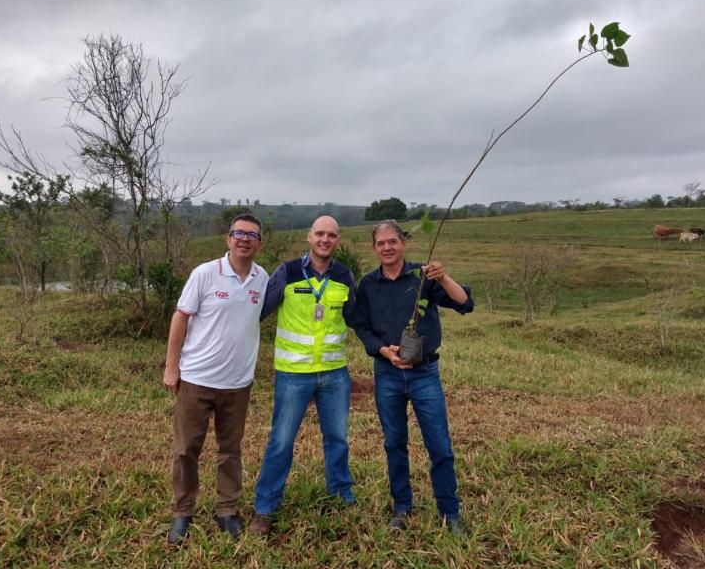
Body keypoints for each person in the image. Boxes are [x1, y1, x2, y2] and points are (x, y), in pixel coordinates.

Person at [353, 219, 474, 535]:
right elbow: (361, 326)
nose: (387, 248)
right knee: (394, 443)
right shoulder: (367, 285)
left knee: (439, 445)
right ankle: (402, 507)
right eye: (381, 243)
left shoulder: (424, 277)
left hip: (424, 374)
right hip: (387, 374)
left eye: (392, 241)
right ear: (374, 248)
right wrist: (383, 350)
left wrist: (443, 276)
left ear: (403, 243)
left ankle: (451, 513)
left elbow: (465, 303)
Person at [163, 213, 269, 544]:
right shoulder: (206, 273)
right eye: (239, 233)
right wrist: (171, 366)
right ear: (228, 239)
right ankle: (182, 512)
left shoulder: (262, 278)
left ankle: (227, 510)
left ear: (259, 243)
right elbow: (180, 318)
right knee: (186, 449)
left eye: (251, 235)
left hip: (237, 384)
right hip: (197, 378)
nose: (244, 239)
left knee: (230, 449)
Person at [249, 215, 356, 536]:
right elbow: (257, 312)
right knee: (281, 442)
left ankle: (341, 496)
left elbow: (358, 318)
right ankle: (265, 508)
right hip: (293, 374)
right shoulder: (288, 272)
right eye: (320, 233)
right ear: (309, 237)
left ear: (337, 241)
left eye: (332, 235)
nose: (325, 239)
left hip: (334, 374)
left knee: (337, 440)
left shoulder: (344, 276)